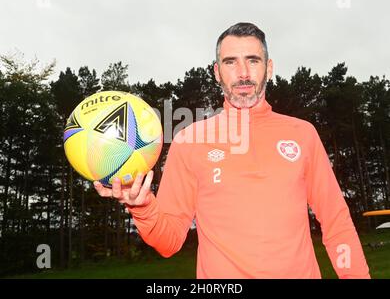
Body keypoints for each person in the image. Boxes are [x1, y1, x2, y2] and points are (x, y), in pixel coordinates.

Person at [94, 22, 370, 279]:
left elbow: (337, 222)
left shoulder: (303, 134)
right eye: (230, 62)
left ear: (269, 67)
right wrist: (142, 207)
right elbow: (169, 242)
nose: (243, 73)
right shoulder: (189, 140)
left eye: (253, 60)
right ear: (217, 72)